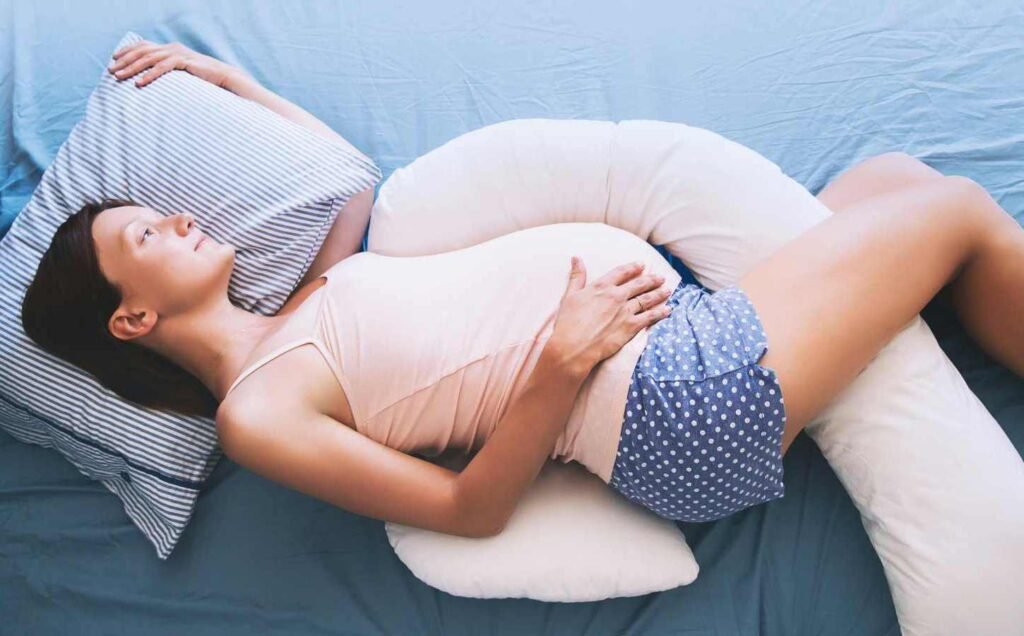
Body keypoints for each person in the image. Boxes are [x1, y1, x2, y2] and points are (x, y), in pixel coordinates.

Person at [21, 41, 1024, 538]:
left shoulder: (303, 307)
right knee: (958, 210)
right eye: (149, 231)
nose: (185, 218)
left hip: (682, 365)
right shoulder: (256, 414)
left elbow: (344, 180)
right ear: (133, 317)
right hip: (671, 411)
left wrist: (217, 79)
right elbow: (467, 511)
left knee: (893, 181)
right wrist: (562, 355)